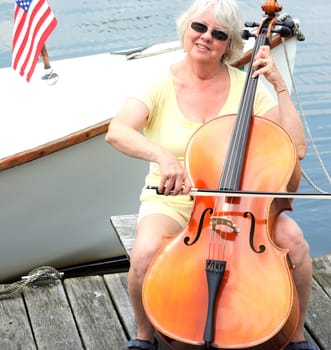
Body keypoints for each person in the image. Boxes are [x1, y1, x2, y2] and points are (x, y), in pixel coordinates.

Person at [105, 0, 316, 349]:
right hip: (173, 201)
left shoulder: (245, 86)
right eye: (199, 28)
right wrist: (162, 156)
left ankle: (294, 337)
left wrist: (279, 86)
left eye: (219, 34)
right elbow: (118, 131)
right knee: (143, 253)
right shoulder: (161, 84)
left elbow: (297, 149)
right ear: (186, 29)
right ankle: (144, 336)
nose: (206, 38)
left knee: (294, 241)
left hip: (239, 206)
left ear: (230, 43)